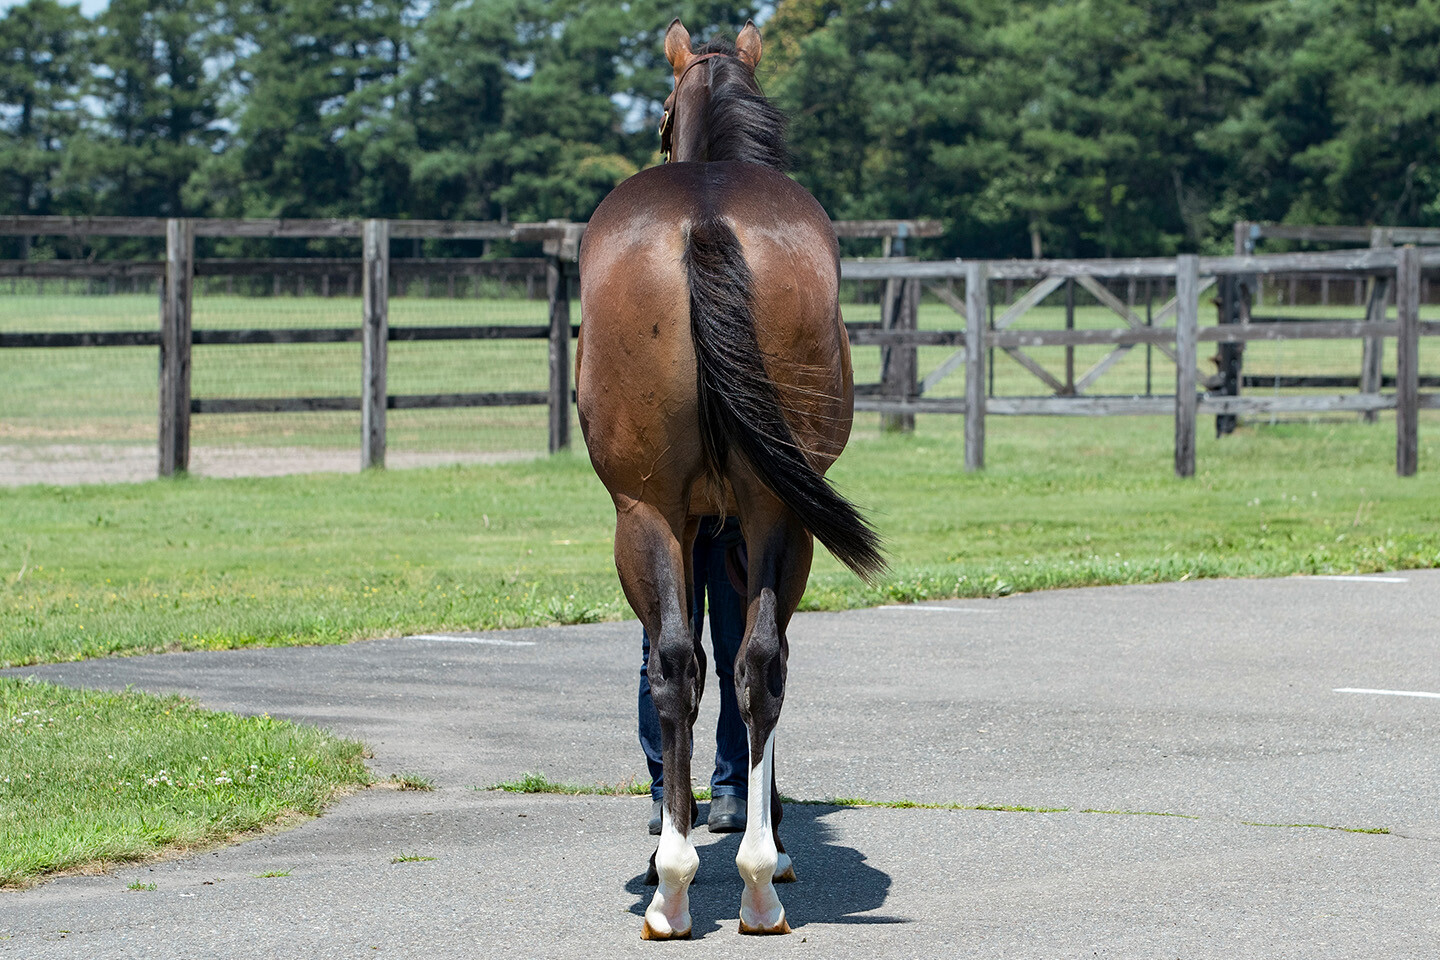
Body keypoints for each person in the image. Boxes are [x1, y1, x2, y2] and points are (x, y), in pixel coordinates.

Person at [639, 515, 749, 834]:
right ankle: (717, 787)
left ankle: (708, 787)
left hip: (703, 510)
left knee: (732, 656)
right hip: (690, 511)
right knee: (670, 660)